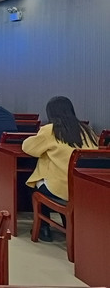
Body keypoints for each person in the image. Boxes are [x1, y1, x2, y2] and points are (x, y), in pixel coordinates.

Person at [23, 96, 98, 242]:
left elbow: (29, 148)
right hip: (83, 189)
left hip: (60, 188)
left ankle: (43, 229)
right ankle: (68, 224)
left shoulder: (51, 130)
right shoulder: (87, 130)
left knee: (34, 185)